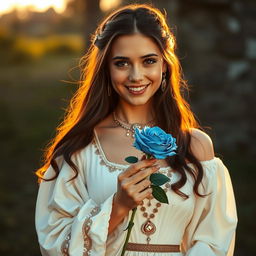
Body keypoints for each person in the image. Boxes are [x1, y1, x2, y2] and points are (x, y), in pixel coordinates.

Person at [35, 3, 237, 256]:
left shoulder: (196, 147)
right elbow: (54, 243)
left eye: (148, 61)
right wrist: (118, 207)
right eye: (122, 63)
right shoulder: (80, 149)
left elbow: (215, 240)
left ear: (164, 65)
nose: (136, 75)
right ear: (106, 69)